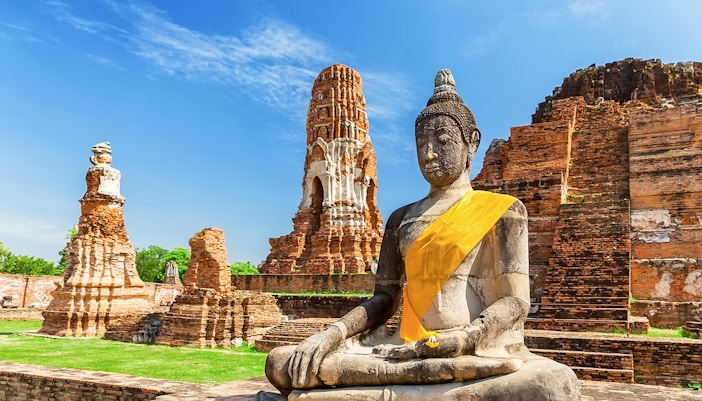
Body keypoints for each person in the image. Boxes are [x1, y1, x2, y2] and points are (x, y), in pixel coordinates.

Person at [257, 69, 578, 401]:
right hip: (404, 349)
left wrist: (465, 338)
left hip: (469, 350)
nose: (429, 154)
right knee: (282, 362)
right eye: (421, 143)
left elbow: (515, 301)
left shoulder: (504, 210)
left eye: (442, 141)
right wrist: (329, 335)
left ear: (472, 142)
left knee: (552, 384)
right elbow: (384, 300)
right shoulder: (401, 218)